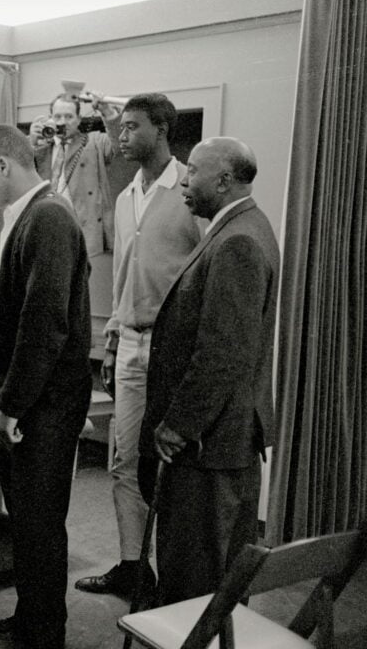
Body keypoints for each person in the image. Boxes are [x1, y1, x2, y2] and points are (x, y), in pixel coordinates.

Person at [138, 137, 279, 605]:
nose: (184, 179)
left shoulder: (237, 240)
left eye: (193, 171)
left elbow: (222, 354)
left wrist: (178, 424)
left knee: (195, 580)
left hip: (209, 446)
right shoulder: (247, 227)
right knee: (217, 576)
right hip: (223, 439)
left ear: (223, 180)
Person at [74, 93, 204, 600]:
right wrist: (111, 341)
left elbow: (206, 270)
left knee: (170, 465)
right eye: (120, 127)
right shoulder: (128, 194)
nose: (121, 136)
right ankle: (133, 567)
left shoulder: (190, 189)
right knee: (124, 461)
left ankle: (177, 579)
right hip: (129, 343)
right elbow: (123, 276)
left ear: (161, 130)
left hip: (174, 349)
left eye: (131, 127)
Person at [0, 125, 91, 649]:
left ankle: (44, 634)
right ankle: (31, 619)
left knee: (40, 524)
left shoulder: (48, 217)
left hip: (45, 403)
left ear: (4, 166)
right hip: (38, 399)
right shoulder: (32, 216)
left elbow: (45, 322)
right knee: (28, 523)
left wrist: (12, 406)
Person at [29, 92, 121, 257]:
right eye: (57, 116)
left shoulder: (94, 142)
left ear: (79, 119)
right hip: (48, 233)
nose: (62, 122)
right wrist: (30, 143)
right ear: (50, 119)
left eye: (68, 116)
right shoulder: (40, 148)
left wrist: (108, 113)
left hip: (86, 236)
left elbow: (118, 145)